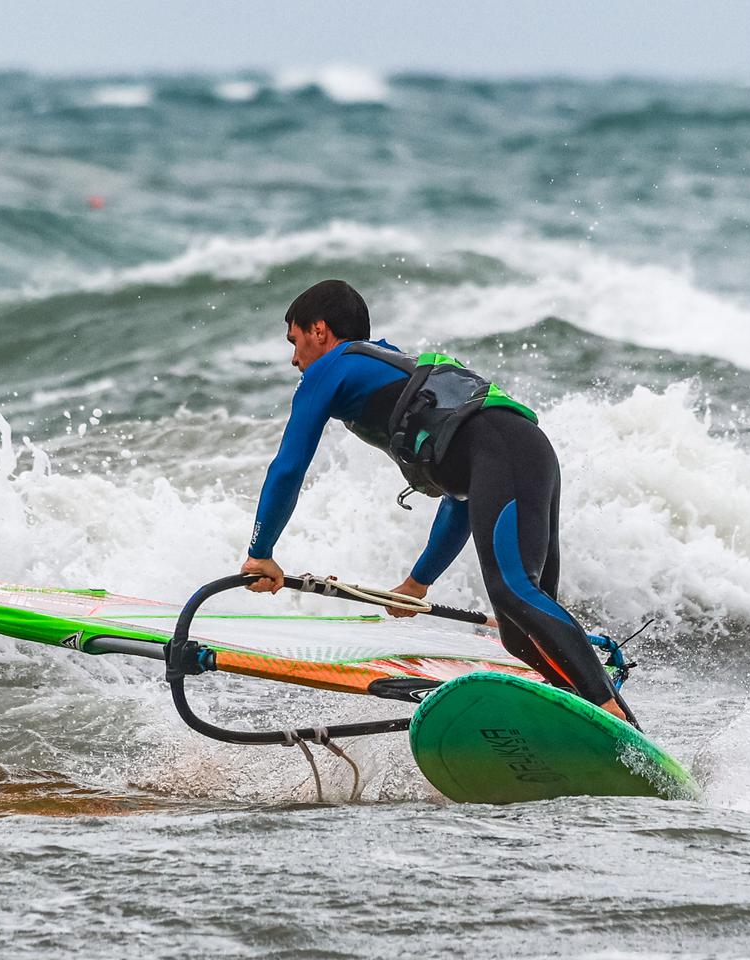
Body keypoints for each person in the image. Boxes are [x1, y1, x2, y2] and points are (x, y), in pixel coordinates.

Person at [240, 279, 633, 723]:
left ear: (319, 330)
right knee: (519, 634)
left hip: (508, 450)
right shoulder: (388, 370)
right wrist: (418, 583)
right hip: (523, 452)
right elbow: (462, 493)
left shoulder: (330, 369)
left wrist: (260, 554)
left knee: (515, 590)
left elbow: (289, 467)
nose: (295, 359)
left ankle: (607, 708)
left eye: (294, 341)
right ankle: (591, 717)